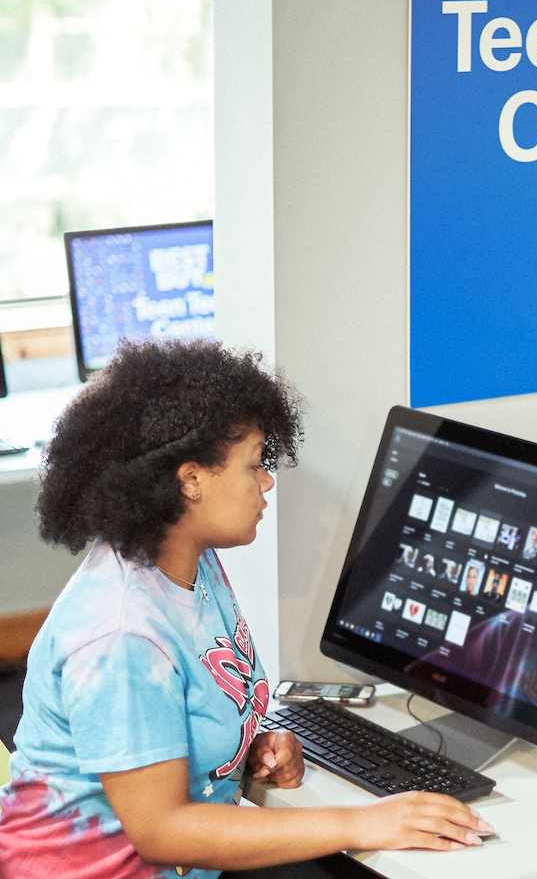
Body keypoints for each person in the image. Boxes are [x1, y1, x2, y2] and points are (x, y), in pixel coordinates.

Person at [0, 340, 490, 878]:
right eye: (255, 464)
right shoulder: (123, 636)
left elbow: (195, 702)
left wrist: (247, 746)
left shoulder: (191, 562)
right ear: (191, 480)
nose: (267, 480)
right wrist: (361, 822)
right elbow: (164, 833)